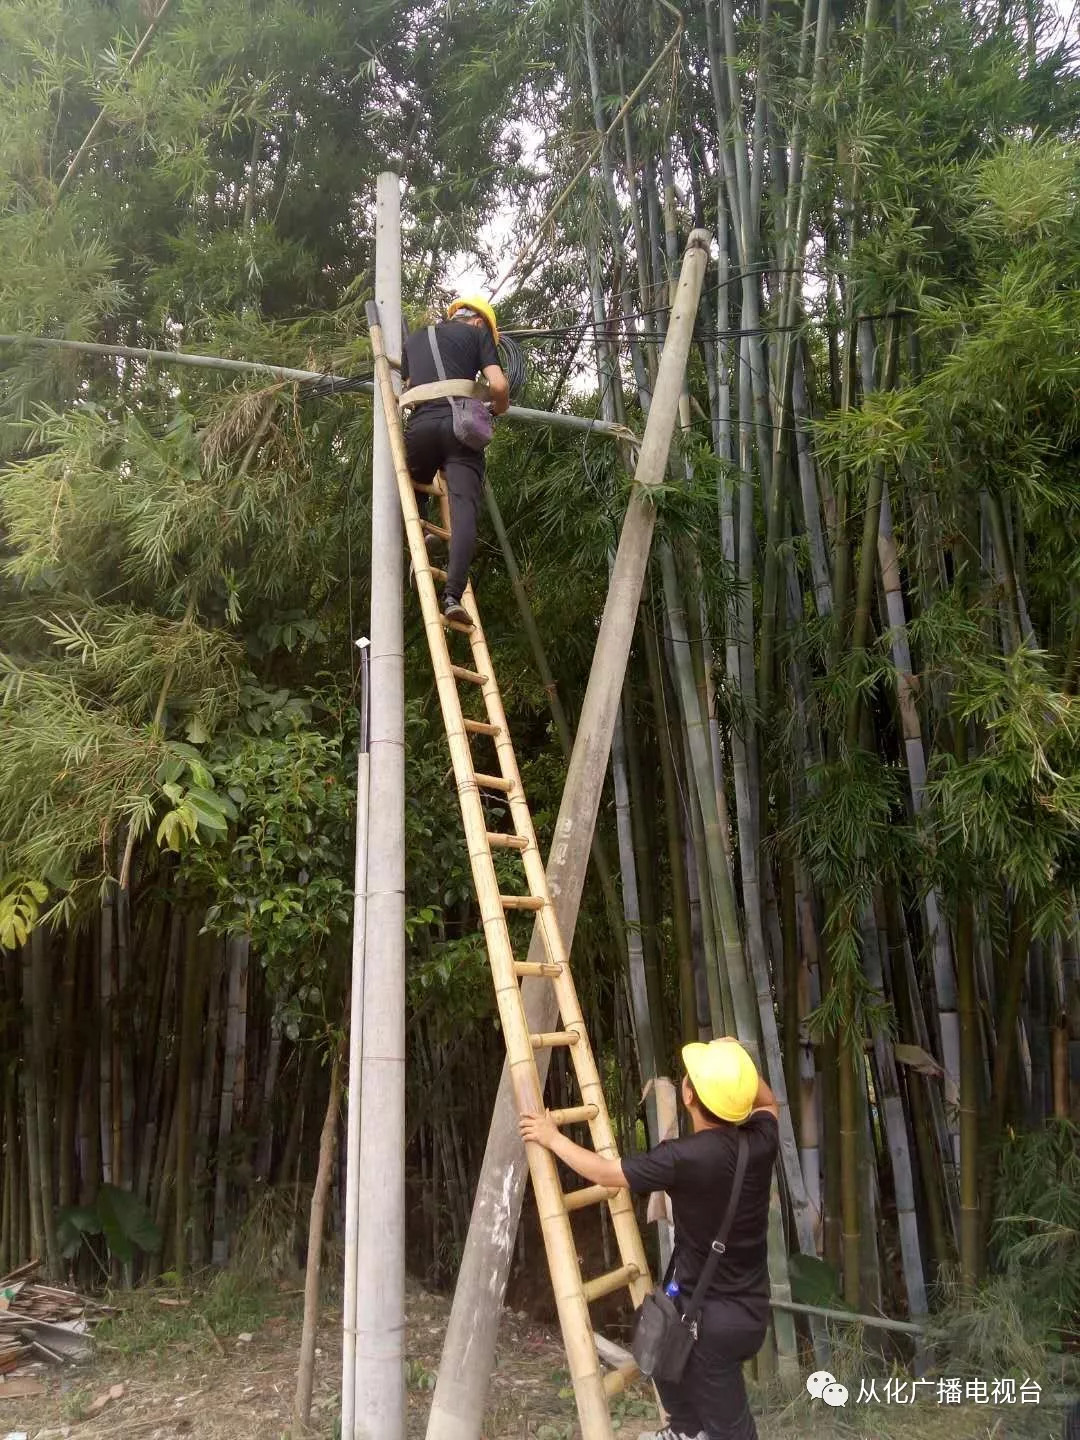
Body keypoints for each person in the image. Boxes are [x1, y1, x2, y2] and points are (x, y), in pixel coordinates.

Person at [519, 1036, 779, 1440]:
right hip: (744, 1309)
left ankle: (695, 1432)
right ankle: (686, 1432)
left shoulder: (682, 1157)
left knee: (733, 1433)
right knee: (653, 1329)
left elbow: (607, 1174)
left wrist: (553, 1138)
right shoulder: (760, 1141)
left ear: (689, 1095)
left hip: (709, 1325)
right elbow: (766, 1103)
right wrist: (739, 1063)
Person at [400, 295, 510, 626]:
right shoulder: (477, 335)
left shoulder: (416, 338)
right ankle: (452, 597)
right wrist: (499, 407)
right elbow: (499, 384)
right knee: (463, 511)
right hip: (461, 431)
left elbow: (408, 384)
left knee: (416, 481)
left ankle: (420, 536)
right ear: (479, 322)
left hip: (420, 430)